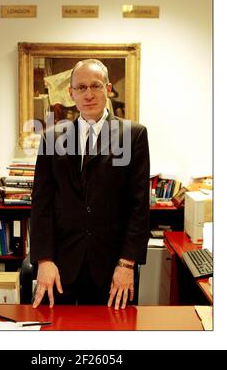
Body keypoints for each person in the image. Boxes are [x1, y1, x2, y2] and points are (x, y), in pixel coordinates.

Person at [30, 59, 150, 310]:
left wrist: (128, 263)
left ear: (108, 89)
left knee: (115, 337)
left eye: (95, 86)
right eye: (81, 87)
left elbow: (138, 206)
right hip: (61, 266)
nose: (88, 94)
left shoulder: (133, 135)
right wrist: (43, 260)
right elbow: (42, 203)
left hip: (114, 266)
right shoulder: (52, 137)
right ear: (71, 93)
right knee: (57, 333)